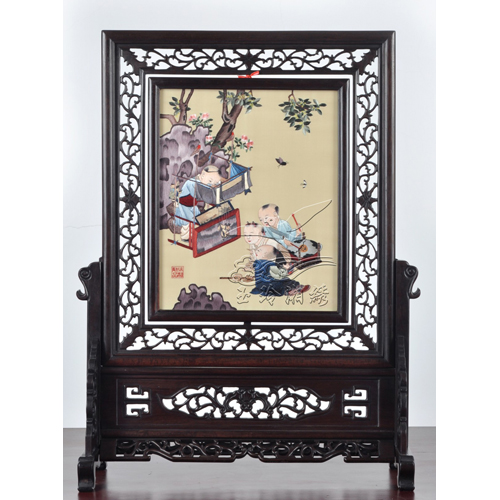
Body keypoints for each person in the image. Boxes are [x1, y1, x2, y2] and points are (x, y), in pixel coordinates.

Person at [173, 165, 223, 241]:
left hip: (193, 206)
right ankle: (186, 238)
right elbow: (202, 195)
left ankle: (198, 235)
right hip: (184, 206)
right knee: (188, 222)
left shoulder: (203, 184)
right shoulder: (192, 183)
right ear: (202, 175)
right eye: (210, 181)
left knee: (198, 219)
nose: (211, 184)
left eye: (215, 183)